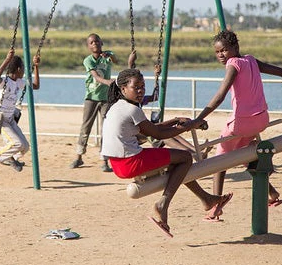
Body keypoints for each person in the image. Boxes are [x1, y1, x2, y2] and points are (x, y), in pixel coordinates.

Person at [182, 29, 282, 221]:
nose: (221, 55)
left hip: (241, 123)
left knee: (219, 162)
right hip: (261, 120)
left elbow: (220, 95)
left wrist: (198, 119)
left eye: (224, 50)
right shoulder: (251, 60)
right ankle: (272, 193)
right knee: (246, 156)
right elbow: (281, 72)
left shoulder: (233, 64)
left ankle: (216, 205)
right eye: (217, 52)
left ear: (235, 47)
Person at [101, 68, 233, 238]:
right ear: (123, 89)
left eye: (143, 86)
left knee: (175, 166)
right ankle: (163, 204)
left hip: (118, 165)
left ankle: (207, 200)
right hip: (132, 162)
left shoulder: (116, 107)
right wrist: (190, 125)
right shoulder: (132, 110)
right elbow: (158, 134)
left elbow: (149, 129)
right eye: (136, 87)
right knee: (185, 158)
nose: (141, 91)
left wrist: (175, 121)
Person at [71, 33, 134, 172]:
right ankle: (79, 156)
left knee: (105, 128)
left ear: (101, 43)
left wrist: (109, 55)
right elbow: (95, 76)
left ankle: (104, 159)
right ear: (88, 46)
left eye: (97, 41)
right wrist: (108, 82)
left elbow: (116, 60)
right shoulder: (88, 60)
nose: (95, 44)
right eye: (92, 42)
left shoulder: (107, 56)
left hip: (106, 98)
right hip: (91, 97)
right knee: (86, 127)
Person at [0, 49, 40, 178]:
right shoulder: (4, 82)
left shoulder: (19, 82)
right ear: (18, 69)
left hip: (9, 119)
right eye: (23, 68)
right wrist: (7, 59)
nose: (24, 71)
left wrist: (36, 67)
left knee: (25, 146)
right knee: (17, 143)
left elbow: (35, 86)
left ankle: (9, 158)